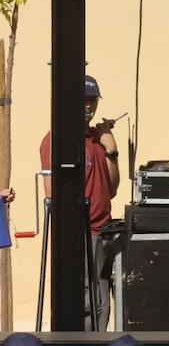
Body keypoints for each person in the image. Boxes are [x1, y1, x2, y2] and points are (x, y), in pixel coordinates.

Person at [39, 75, 120, 329]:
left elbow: (112, 188)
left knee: (101, 299)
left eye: (92, 100)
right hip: (81, 232)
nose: (88, 107)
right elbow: (52, 192)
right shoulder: (58, 138)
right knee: (90, 301)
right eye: (82, 101)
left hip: (102, 230)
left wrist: (111, 149)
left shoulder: (97, 139)